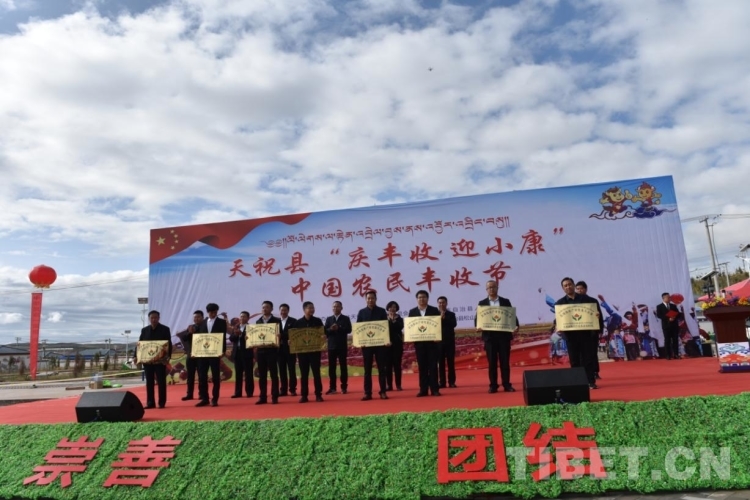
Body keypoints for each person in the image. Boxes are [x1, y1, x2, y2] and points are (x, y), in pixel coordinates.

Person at [555, 278, 601, 389]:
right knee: (574, 360)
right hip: (570, 336)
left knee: (588, 359)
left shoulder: (589, 301)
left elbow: (597, 317)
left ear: (574, 285)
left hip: (586, 335)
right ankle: (577, 383)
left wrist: (597, 316)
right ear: (563, 288)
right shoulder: (560, 303)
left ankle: (590, 381)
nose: (568, 287)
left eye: (570, 284)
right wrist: (558, 326)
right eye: (565, 285)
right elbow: (558, 319)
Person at [475, 280, 519, 393]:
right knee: (492, 363)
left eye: (493, 287)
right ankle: (493, 385)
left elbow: (512, 316)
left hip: (503, 337)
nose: (491, 289)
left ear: (497, 288)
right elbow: (477, 318)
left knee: (505, 362)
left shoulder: (505, 301)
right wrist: (478, 326)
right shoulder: (482, 303)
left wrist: (516, 326)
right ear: (486, 290)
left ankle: (507, 384)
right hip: (490, 338)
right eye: (489, 287)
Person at [356, 291, 389, 400]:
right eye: (368, 298)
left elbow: (386, 327)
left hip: (380, 344)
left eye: (372, 298)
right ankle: (367, 393)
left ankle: (383, 392)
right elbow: (358, 329)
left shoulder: (381, 311)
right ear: (366, 299)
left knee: (382, 369)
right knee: (367, 370)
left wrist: (386, 340)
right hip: (367, 345)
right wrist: (360, 342)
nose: (370, 300)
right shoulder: (361, 312)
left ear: (376, 299)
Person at [408, 290, 441, 397]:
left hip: (432, 344)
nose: (421, 299)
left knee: (433, 367)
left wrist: (438, 336)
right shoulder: (412, 312)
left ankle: (435, 389)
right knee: (422, 367)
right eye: (419, 297)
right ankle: (423, 389)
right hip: (419, 344)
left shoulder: (434, 310)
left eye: (423, 297)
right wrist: (410, 337)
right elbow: (410, 327)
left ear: (427, 298)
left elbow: (438, 325)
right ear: (417, 299)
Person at [136, 310, 172, 409]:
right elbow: (140, 344)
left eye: (155, 317)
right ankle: (150, 403)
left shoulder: (165, 329)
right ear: (149, 319)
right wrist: (136, 356)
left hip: (160, 361)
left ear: (159, 318)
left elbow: (169, 344)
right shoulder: (144, 330)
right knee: (149, 382)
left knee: (161, 381)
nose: (154, 319)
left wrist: (168, 357)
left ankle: (162, 402)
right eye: (152, 318)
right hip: (148, 361)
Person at [195, 303, 227, 407]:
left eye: (215, 312)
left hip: (215, 353)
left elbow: (223, 337)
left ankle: (215, 399)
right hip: (203, 354)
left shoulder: (221, 322)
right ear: (208, 312)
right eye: (211, 312)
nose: (213, 314)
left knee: (216, 377)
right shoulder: (202, 323)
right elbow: (198, 338)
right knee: (202, 376)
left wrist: (223, 351)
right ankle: (205, 398)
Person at [294, 301, 324, 403]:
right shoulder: (298, 323)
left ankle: (318, 394)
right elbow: (294, 337)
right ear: (304, 310)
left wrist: (323, 336)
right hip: (302, 353)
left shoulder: (318, 321)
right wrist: (291, 341)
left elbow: (323, 333)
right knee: (304, 374)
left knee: (316, 373)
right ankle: (304, 395)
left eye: (313, 308)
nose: (312, 310)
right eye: (309, 308)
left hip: (315, 352)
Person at [255, 301, 281, 404]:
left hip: (272, 351)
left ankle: (275, 396)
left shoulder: (277, 321)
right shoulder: (258, 321)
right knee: (262, 375)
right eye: (263, 307)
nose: (264, 309)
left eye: (267, 307)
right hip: (260, 351)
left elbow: (281, 334)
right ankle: (262, 397)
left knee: (274, 374)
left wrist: (279, 336)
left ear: (271, 309)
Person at [324, 300, 352, 395]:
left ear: (341, 308)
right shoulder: (329, 319)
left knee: (343, 367)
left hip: (342, 346)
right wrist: (331, 329)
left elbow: (349, 330)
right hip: (331, 346)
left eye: (337, 306)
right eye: (334, 307)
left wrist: (339, 328)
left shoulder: (345, 318)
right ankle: (332, 388)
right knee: (332, 368)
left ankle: (344, 387)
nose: (335, 308)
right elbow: (325, 331)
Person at [576, 282, 603, 377]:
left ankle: (595, 372)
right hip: (578, 332)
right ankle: (582, 372)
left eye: (581, 288)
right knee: (580, 353)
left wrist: (600, 330)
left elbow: (599, 316)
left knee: (592, 352)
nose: (579, 290)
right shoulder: (573, 302)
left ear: (586, 289)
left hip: (592, 331)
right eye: (577, 289)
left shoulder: (593, 301)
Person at [229, 311, 254, 399]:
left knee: (248, 373)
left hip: (247, 353)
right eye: (241, 316)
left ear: (248, 318)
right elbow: (231, 338)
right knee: (238, 374)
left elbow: (252, 339)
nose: (242, 318)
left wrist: (242, 334)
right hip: (237, 353)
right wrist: (236, 335)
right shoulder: (236, 327)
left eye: (244, 316)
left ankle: (249, 392)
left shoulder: (251, 327)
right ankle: (238, 392)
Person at [178, 310, 203, 401]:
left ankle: (202, 394)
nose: (196, 319)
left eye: (198, 317)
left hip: (201, 355)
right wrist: (190, 333)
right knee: (190, 376)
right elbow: (184, 338)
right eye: (195, 317)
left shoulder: (205, 327)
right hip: (190, 355)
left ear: (202, 318)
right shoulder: (190, 327)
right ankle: (189, 394)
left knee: (201, 376)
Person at [437, 296, 458, 389]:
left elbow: (454, 324)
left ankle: (452, 382)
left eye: (443, 302)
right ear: (438, 304)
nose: (441, 304)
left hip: (449, 342)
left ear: (446, 303)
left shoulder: (451, 314)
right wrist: (439, 318)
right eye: (440, 303)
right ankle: (442, 382)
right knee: (440, 363)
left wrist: (444, 318)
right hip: (438, 342)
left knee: (451, 363)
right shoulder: (434, 315)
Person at [277, 303, 297, 396]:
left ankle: (292, 389)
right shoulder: (276, 322)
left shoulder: (293, 321)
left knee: (291, 369)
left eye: (285, 310)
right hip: (279, 350)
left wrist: (282, 336)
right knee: (281, 370)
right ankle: (283, 390)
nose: (283, 312)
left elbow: (294, 334)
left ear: (288, 311)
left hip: (290, 349)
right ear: (279, 311)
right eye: (282, 310)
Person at [384, 301, 404, 391]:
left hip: (397, 345)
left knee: (397, 365)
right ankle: (389, 385)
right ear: (388, 308)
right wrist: (389, 320)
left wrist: (393, 320)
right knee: (387, 366)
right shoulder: (384, 319)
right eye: (390, 307)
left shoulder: (400, 319)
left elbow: (399, 327)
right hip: (387, 345)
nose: (392, 309)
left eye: (394, 307)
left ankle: (398, 385)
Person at [656, 293, 682, 360]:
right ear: (664, 298)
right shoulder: (659, 306)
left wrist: (674, 317)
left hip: (674, 325)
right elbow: (659, 315)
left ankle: (676, 354)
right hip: (666, 326)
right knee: (667, 340)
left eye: (670, 297)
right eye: (668, 297)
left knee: (675, 340)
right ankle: (668, 355)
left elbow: (678, 314)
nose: (669, 298)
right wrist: (668, 318)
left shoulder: (673, 306)